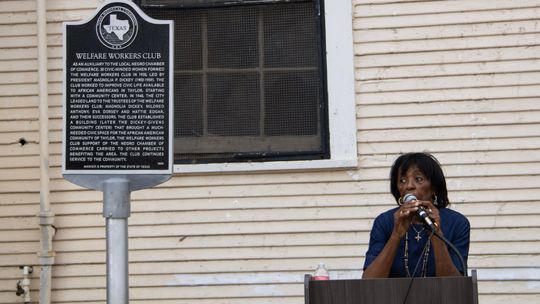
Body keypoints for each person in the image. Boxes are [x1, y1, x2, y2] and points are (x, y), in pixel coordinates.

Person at [362, 152, 470, 278]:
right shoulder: (385, 221)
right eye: (402, 181)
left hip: (440, 297)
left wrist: (436, 233)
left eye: (418, 179)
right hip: (394, 297)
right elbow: (369, 281)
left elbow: (455, 285)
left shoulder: (457, 223)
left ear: (434, 187)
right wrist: (396, 235)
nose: (409, 186)